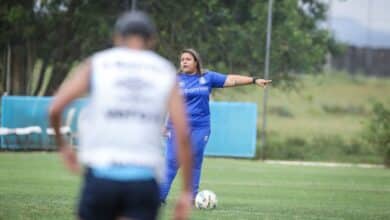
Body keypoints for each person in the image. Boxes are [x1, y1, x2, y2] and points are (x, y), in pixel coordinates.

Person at [49, 11, 192, 220]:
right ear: (151, 40)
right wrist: (186, 191)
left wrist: (63, 146)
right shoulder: (165, 71)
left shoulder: (97, 64)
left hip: (101, 176)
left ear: (117, 37)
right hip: (144, 180)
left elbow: (54, 108)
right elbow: (183, 133)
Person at [160, 48, 271, 203]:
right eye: (182, 59)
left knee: (194, 160)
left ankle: (192, 198)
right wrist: (164, 124)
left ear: (196, 62)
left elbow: (231, 79)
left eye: (188, 59)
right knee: (172, 160)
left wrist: (253, 80)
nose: (184, 61)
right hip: (177, 126)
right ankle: (159, 197)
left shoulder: (207, 77)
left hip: (200, 127)